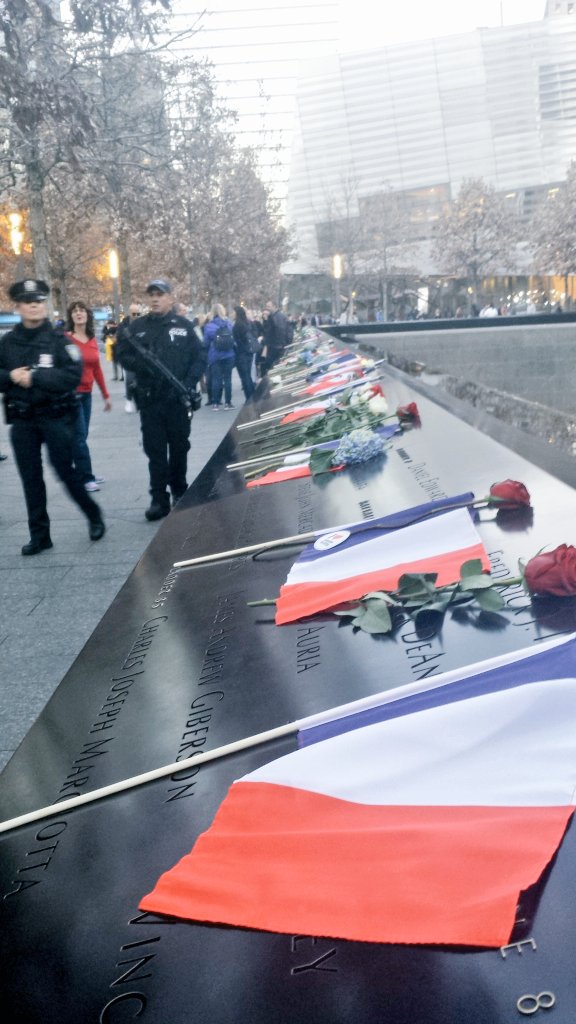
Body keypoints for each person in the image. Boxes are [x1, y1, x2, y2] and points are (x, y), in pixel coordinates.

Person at [0, 279, 105, 555]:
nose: (34, 305)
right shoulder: (7, 343)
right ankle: (40, 535)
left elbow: (71, 376)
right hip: (22, 420)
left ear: (45, 305)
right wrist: (10, 376)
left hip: (55, 417)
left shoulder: (60, 341)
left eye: (39, 301)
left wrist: (34, 377)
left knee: (65, 472)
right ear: (19, 307)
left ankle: (93, 514)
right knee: (30, 478)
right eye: (28, 301)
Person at [115, 278, 205, 520]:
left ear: (170, 298)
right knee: (155, 451)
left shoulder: (184, 325)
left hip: (177, 399)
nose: (154, 298)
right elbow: (121, 354)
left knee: (179, 448)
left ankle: (179, 491)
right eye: (151, 294)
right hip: (151, 400)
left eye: (160, 294)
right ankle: (158, 498)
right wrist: (142, 366)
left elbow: (200, 356)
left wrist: (188, 383)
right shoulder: (137, 327)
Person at [65, 301, 111, 492]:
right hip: (72, 395)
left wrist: (106, 395)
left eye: (82, 310)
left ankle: (82, 472)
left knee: (81, 435)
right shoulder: (66, 339)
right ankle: (86, 477)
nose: (78, 314)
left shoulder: (91, 339)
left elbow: (97, 369)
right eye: (74, 311)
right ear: (71, 317)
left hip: (87, 395)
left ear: (87, 315)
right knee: (79, 438)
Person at [203, 303, 235, 410]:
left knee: (216, 379)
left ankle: (215, 403)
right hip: (229, 355)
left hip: (215, 355)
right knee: (228, 379)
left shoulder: (209, 326)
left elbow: (206, 343)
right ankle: (228, 403)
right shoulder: (229, 324)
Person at [116, 304, 141, 413]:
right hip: (128, 356)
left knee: (140, 380)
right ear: (129, 313)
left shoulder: (143, 323)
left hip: (141, 356)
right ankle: (129, 399)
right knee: (130, 379)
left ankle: (138, 400)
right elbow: (119, 339)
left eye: (138, 314)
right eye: (134, 314)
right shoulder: (123, 326)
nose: (136, 316)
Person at [232, 305, 256, 401]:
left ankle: (249, 398)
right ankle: (252, 396)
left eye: (233, 312)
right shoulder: (247, 323)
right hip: (248, 352)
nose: (231, 314)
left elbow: (237, 340)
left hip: (241, 353)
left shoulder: (238, 325)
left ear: (237, 313)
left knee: (244, 376)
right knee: (247, 376)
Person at [261, 300, 290, 372]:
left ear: (274, 306)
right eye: (266, 306)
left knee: (271, 367)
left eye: (269, 306)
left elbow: (279, 331)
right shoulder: (273, 316)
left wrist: (280, 345)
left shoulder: (276, 317)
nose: (267, 308)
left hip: (276, 347)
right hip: (275, 346)